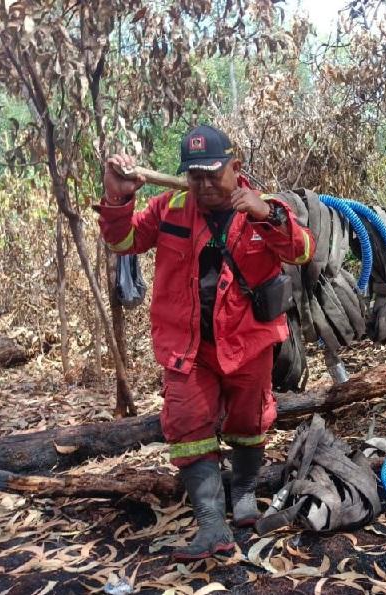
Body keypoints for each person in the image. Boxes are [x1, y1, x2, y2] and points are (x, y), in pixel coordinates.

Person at [96, 125, 314, 560]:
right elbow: (122, 240)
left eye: (213, 174)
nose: (204, 184)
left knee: (249, 421)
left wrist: (266, 215)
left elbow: (303, 251)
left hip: (248, 343)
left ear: (236, 168)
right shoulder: (170, 207)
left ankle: (246, 490)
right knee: (188, 425)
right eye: (195, 175)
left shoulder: (263, 209)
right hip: (188, 347)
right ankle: (212, 525)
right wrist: (118, 197)